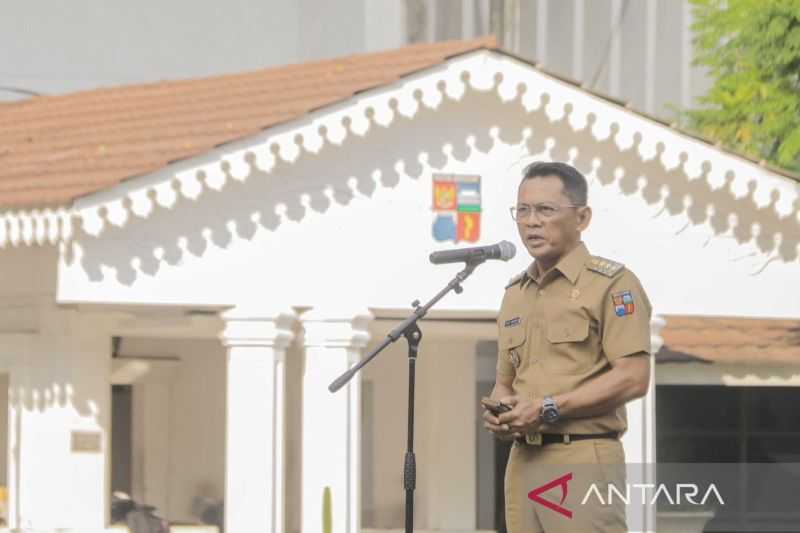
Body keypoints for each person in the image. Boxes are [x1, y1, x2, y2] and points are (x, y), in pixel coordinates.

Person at [483, 161, 652, 532]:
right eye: (522, 210)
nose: (531, 221)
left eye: (545, 210)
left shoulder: (613, 285)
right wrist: (502, 414)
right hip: (523, 458)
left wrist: (546, 408)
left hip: (584, 455)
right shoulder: (515, 294)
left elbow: (633, 378)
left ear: (582, 217)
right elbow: (506, 383)